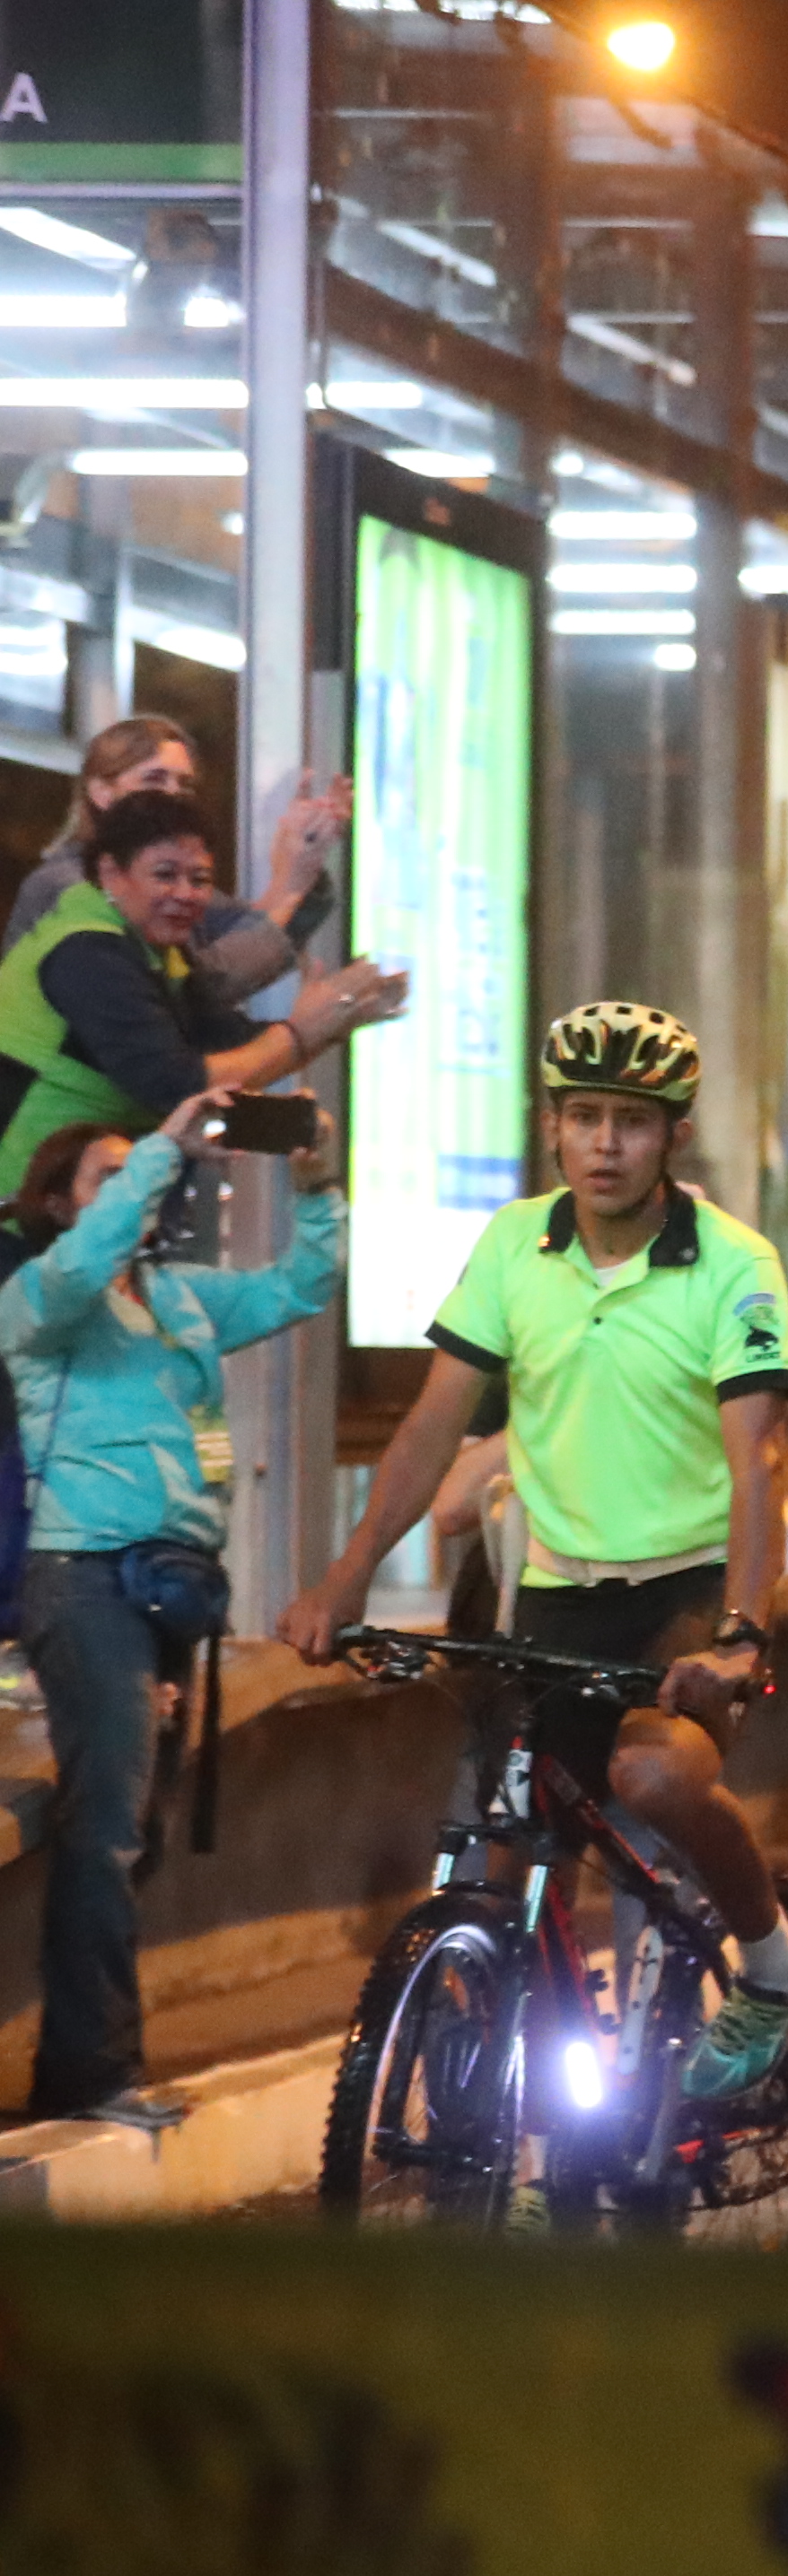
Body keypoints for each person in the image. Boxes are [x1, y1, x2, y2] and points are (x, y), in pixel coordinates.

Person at [279, 1002, 788, 2101]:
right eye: (586, 1118)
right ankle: (530, 2145)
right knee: (510, 1834)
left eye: (633, 1120)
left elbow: (757, 1457)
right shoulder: (512, 1246)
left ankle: (772, 1962)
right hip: (554, 1590)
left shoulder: (733, 1264)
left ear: (673, 1135)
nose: (607, 1143)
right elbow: (434, 1427)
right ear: (553, 1127)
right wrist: (344, 1581)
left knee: (654, 1773)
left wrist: (740, 1635)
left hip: (691, 1584)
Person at [0, 1089, 343, 2125]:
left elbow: (303, 1284)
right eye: (103, 1177)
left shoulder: (182, 1299)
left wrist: (318, 1178)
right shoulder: (39, 1297)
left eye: (140, 1172)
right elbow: (77, 1262)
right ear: (61, 1204)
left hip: (169, 1588)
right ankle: (96, 2075)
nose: (138, 1186)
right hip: (85, 1578)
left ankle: (84, 2060)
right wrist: (158, 1150)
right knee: (106, 1829)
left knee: (132, 1832)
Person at [0, 789, 402, 1186]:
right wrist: (304, 1030)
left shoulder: (158, 951)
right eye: (164, 875)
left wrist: (338, 1017)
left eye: (200, 879)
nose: (185, 894)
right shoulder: (86, 950)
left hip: (91, 1205)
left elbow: (224, 1044)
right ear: (111, 874)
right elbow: (179, 1087)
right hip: (23, 1208)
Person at [6, 717, 346, 1018]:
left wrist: (308, 851)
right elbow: (209, 986)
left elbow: (259, 932)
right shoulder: (66, 883)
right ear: (102, 793)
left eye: (184, 785)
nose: (173, 795)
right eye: (155, 779)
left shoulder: (167, 878)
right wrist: (289, 883)